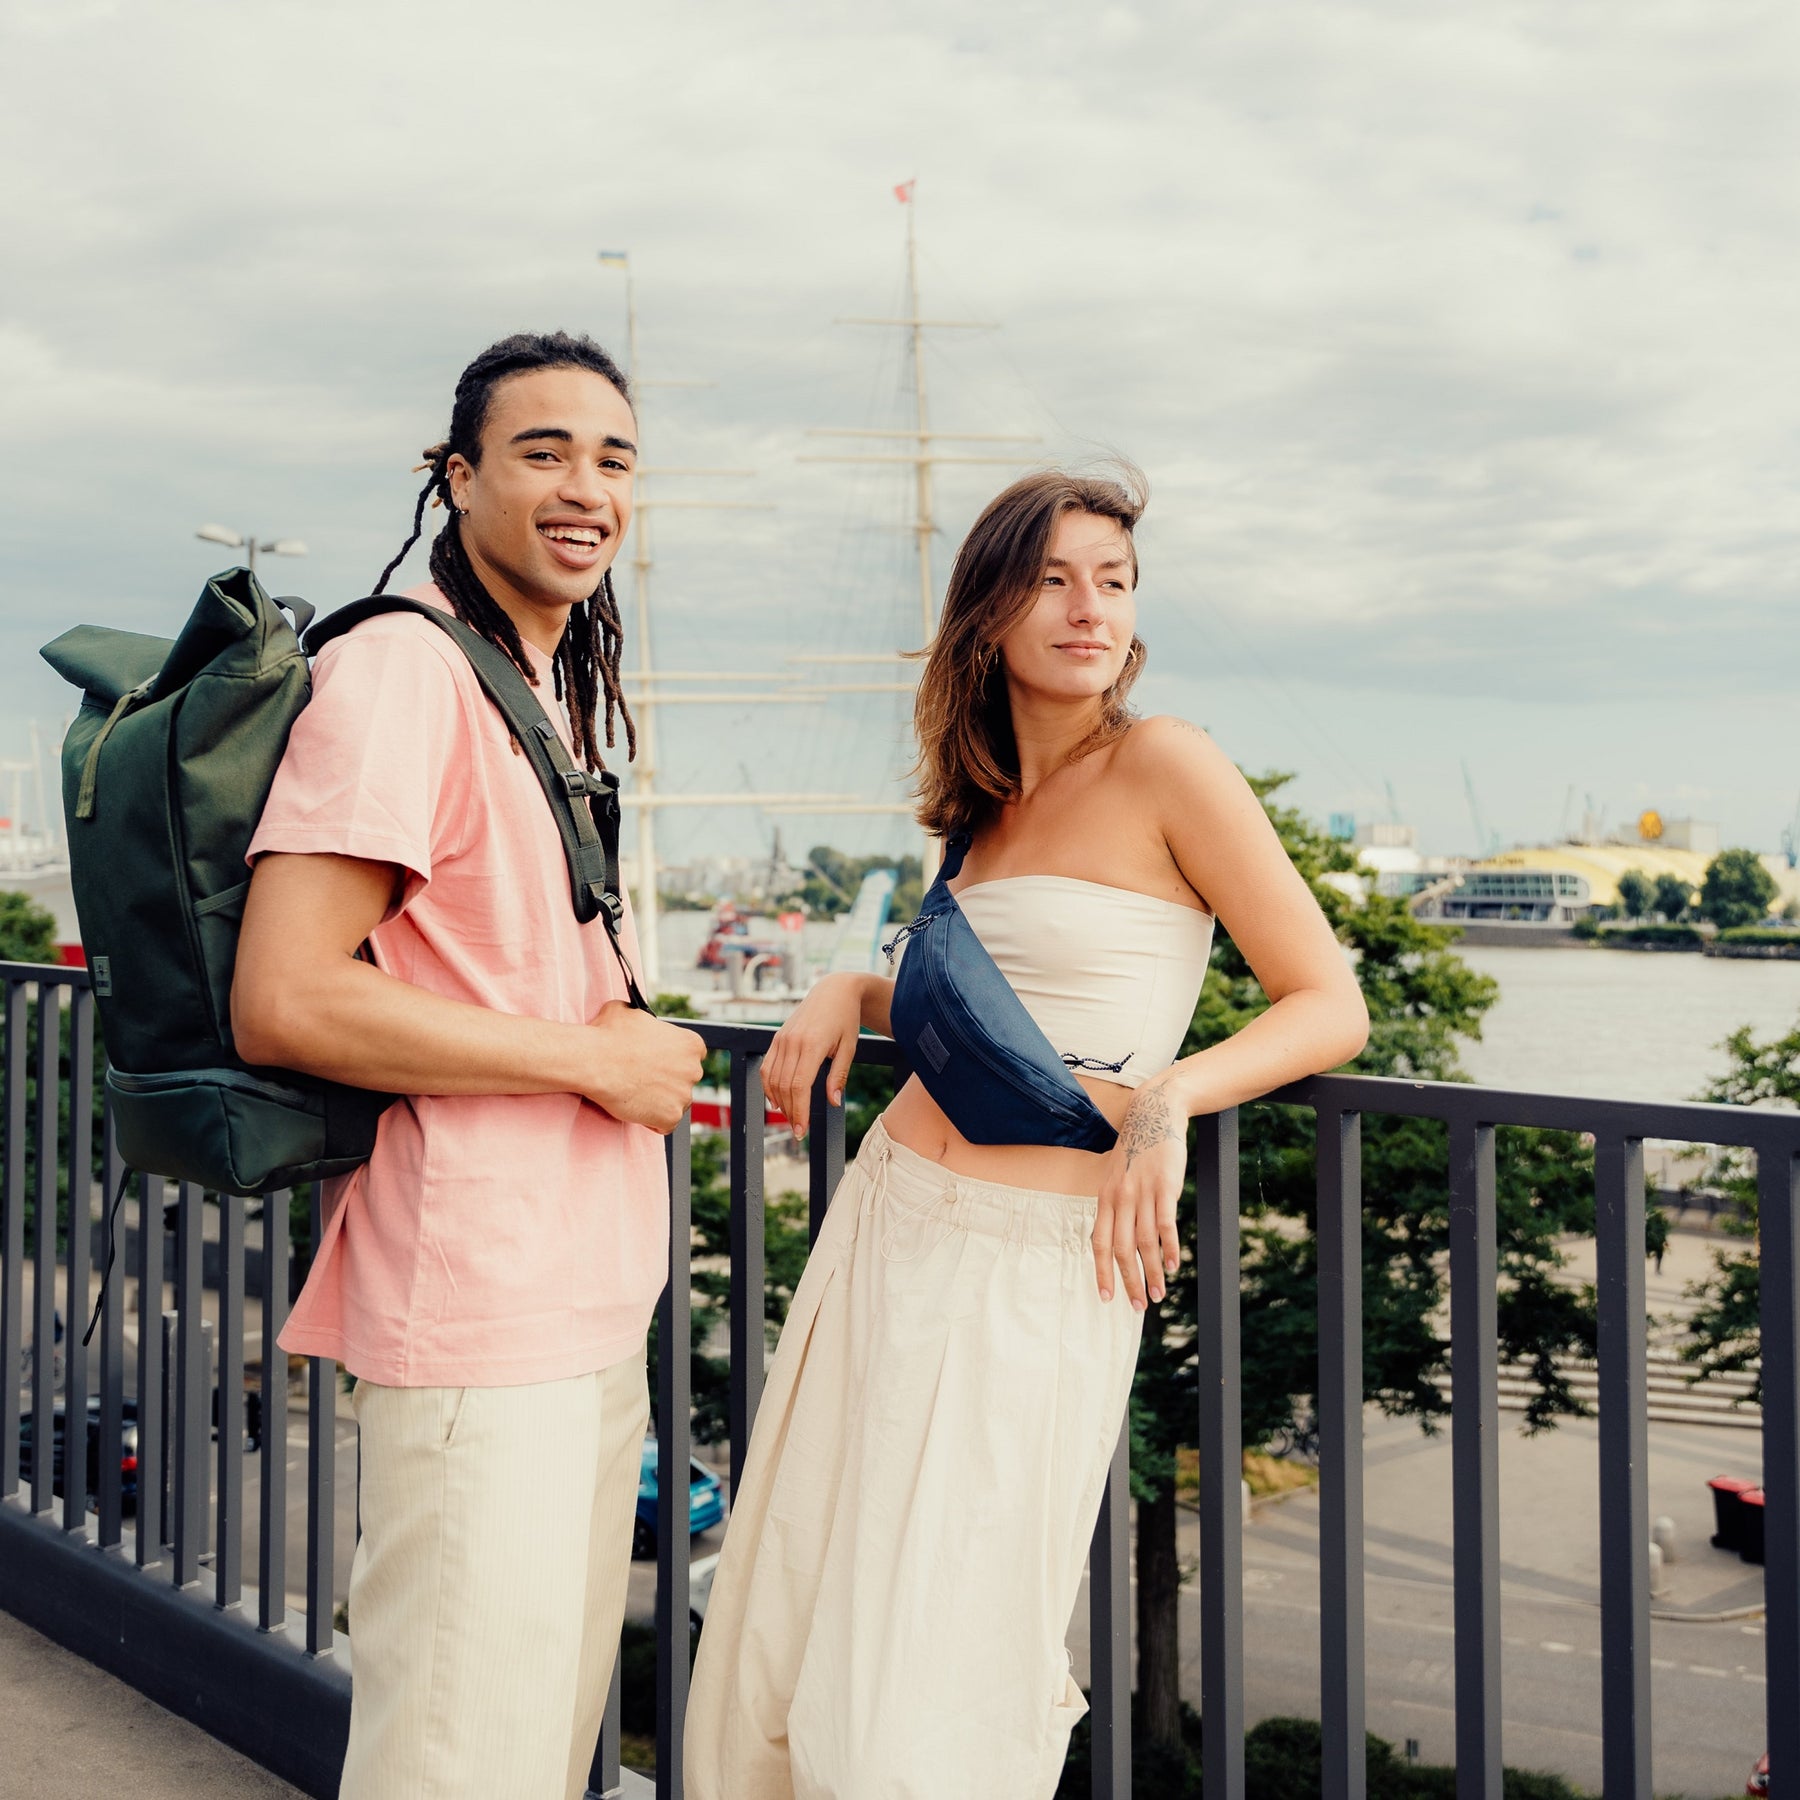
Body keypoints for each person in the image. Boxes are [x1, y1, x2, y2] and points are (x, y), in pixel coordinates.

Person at [684, 467, 1370, 1798]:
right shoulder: (976, 805)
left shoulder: (1168, 762)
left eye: (1112, 580)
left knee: (932, 1670)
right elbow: (985, 1014)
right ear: (988, 610)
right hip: (887, 1225)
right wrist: (848, 986)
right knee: (788, 1624)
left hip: (1037, 1261)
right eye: (1052, 578)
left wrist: (1172, 1100)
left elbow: (1327, 1003)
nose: (1087, 607)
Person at [232, 331, 705, 1800]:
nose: (586, 487)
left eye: (614, 458)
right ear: (455, 478)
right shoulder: (399, 674)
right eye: (542, 451)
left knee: (537, 1750)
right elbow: (288, 999)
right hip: (478, 1301)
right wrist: (593, 1063)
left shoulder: (539, 686)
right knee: (457, 1759)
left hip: (574, 1297)